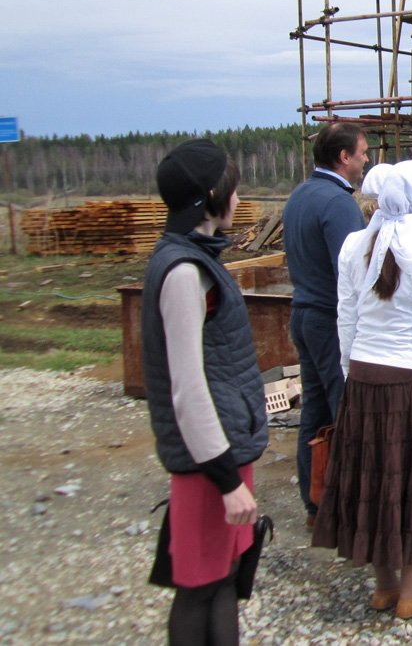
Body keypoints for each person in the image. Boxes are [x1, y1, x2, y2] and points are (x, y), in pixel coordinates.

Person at [312, 161, 412, 621]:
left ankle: (385, 585)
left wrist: (349, 374)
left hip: (363, 377)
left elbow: (346, 317)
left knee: (375, 478)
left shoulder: (356, 246)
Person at [141, 139, 267, 645]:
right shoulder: (183, 272)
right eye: (232, 191)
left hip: (224, 450)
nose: (238, 200)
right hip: (209, 463)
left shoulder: (195, 259)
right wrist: (224, 480)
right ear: (212, 196)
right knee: (198, 586)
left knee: (224, 579)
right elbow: (187, 388)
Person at [282, 122, 368, 525]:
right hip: (331, 319)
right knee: (347, 411)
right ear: (344, 157)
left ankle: (316, 503)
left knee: (315, 413)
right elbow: (354, 271)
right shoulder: (337, 203)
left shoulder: (300, 195)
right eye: (363, 152)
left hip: (303, 313)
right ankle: (349, 507)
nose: (367, 158)